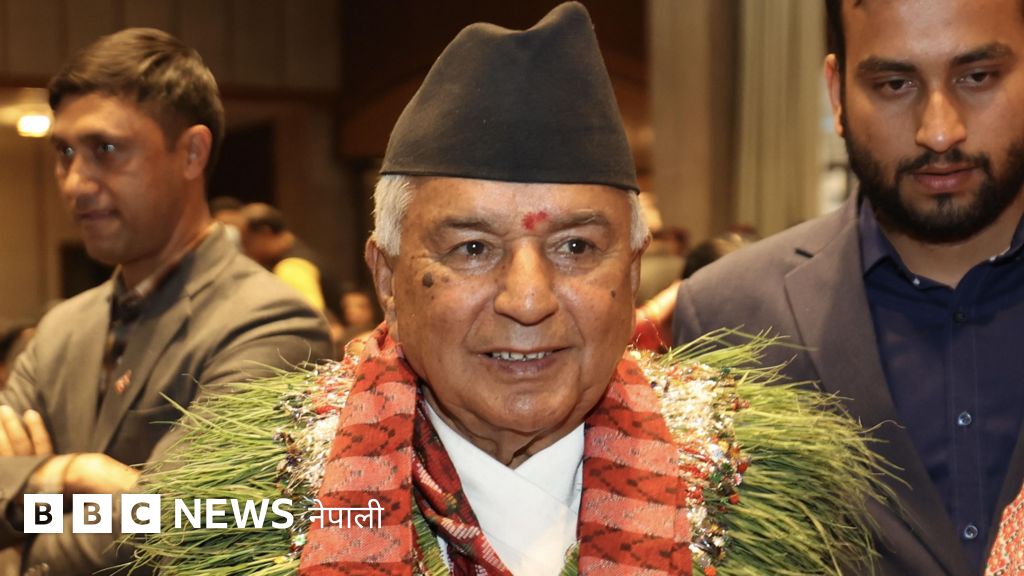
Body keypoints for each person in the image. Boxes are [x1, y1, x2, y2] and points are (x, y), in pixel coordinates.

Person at [124, 4, 892, 576]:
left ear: (632, 273)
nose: (527, 300)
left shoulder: (761, 492)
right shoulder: (256, 503)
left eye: (576, 247)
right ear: (387, 278)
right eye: (472, 249)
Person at [674, 0, 1024, 574]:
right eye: (894, 84)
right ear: (837, 95)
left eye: (978, 77)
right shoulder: (728, 315)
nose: (939, 131)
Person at [0, 28, 333, 575]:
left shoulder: (271, 324)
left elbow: (176, 527)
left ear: (192, 152)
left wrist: (22, 532)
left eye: (106, 149)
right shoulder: (60, 326)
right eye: (64, 152)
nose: (75, 182)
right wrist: (67, 475)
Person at [240, 202, 342, 319]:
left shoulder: (291, 267)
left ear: (265, 232)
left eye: (246, 241)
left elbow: (308, 319)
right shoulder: (296, 251)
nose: (244, 249)